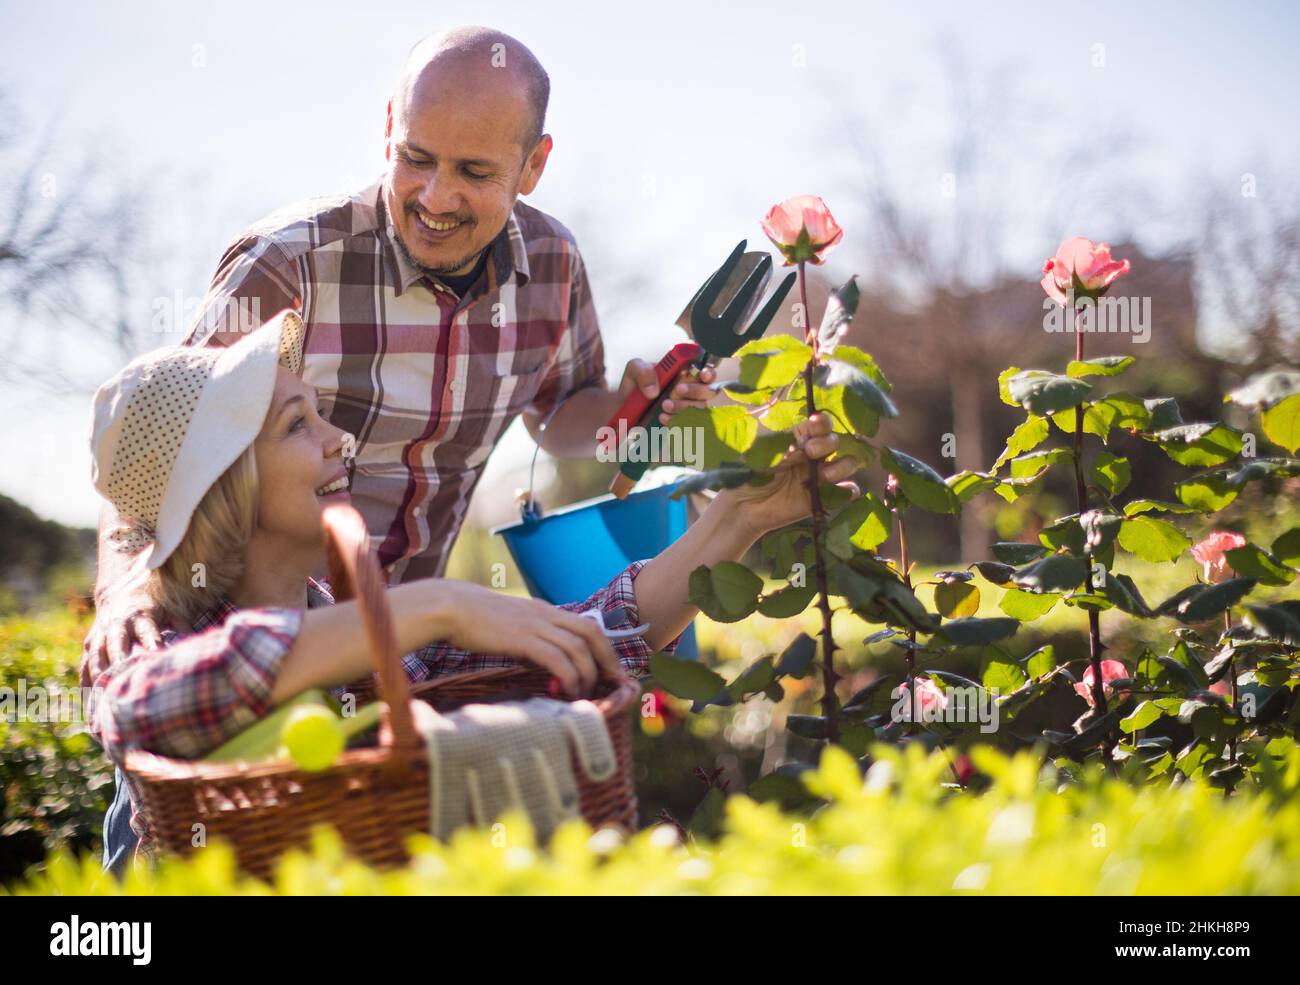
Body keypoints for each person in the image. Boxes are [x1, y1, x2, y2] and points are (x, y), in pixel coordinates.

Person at [89, 311, 859, 873]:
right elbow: (138, 708)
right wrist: (423, 606)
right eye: (298, 425)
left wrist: (737, 518)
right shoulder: (154, 624)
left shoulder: (334, 610)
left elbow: (586, 634)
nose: (337, 441)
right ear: (227, 485)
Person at [82, 24, 718, 683]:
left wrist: (629, 408)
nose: (435, 198)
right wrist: (122, 590)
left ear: (533, 166)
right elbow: (166, 444)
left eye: (473, 171)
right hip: (266, 645)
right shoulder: (290, 264)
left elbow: (561, 416)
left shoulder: (554, 267)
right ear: (390, 125)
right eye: (416, 157)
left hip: (414, 651)